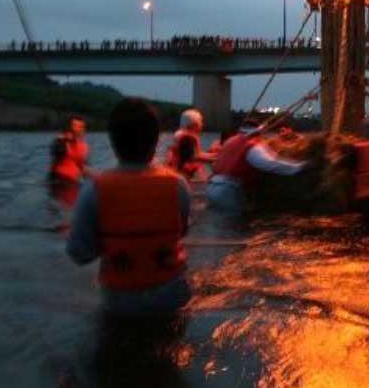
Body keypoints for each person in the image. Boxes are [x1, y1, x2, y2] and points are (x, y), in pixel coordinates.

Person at [66, 98, 191, 316]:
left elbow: (79, 254)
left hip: (120, 302)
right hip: (172, 296)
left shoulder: (93, 190)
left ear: (113, 142)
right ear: (155, 141)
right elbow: (182, 231)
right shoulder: (178, 185)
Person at [206, 124, 306, 214]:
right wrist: (300, 167)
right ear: (258, 131)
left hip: (211, 188)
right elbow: (269, 164)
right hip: (227, 191)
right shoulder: (251, 145)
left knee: (218, 223)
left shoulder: (230, 141)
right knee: (233, 224)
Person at [164, 108, 213, 182]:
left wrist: (214, 155)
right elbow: (194, 156)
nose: (202, 124)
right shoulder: (188, 137)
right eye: (201, 121)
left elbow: (196, 154)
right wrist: (215, 158)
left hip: (174, 172)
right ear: (194, 124)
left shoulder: (180, 134)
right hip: (180, 175)